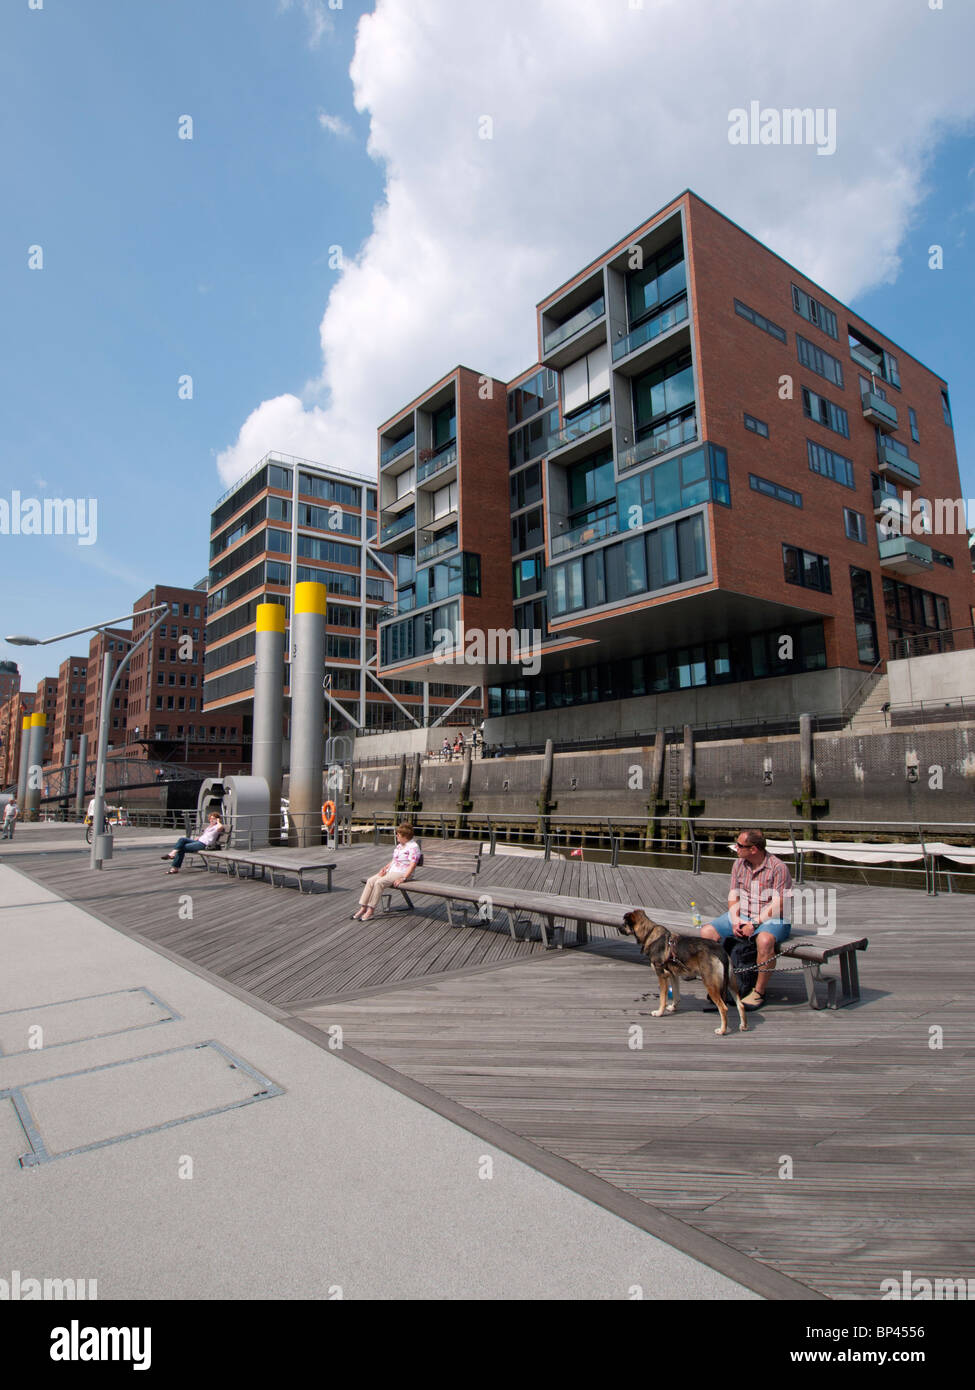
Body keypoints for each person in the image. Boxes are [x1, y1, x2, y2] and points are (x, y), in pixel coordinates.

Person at [700, 828, 792, 1010]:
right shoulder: (739, 864)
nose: (736, 848)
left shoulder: (778, 868)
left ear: (754, 849)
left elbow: (780, 904)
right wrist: (735, 920)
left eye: (740, 845)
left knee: (765, 941)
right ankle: (719, 984)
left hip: (772, 917)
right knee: (707, 932)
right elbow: (733, 895)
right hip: (743, 913)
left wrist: (755, 923)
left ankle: (758, 991)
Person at [353, 821, 420, 921]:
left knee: (379, 882)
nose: (396, 835)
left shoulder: (413, 847)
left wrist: (404, 877)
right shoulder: (400, 845)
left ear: (405, 836)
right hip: (392, 871)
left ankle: (371, 910)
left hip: (403, 872)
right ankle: (363, 908)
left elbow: (413, 864)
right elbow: (394, 860)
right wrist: (385, 868)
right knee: (371, 880)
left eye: (398, 834)